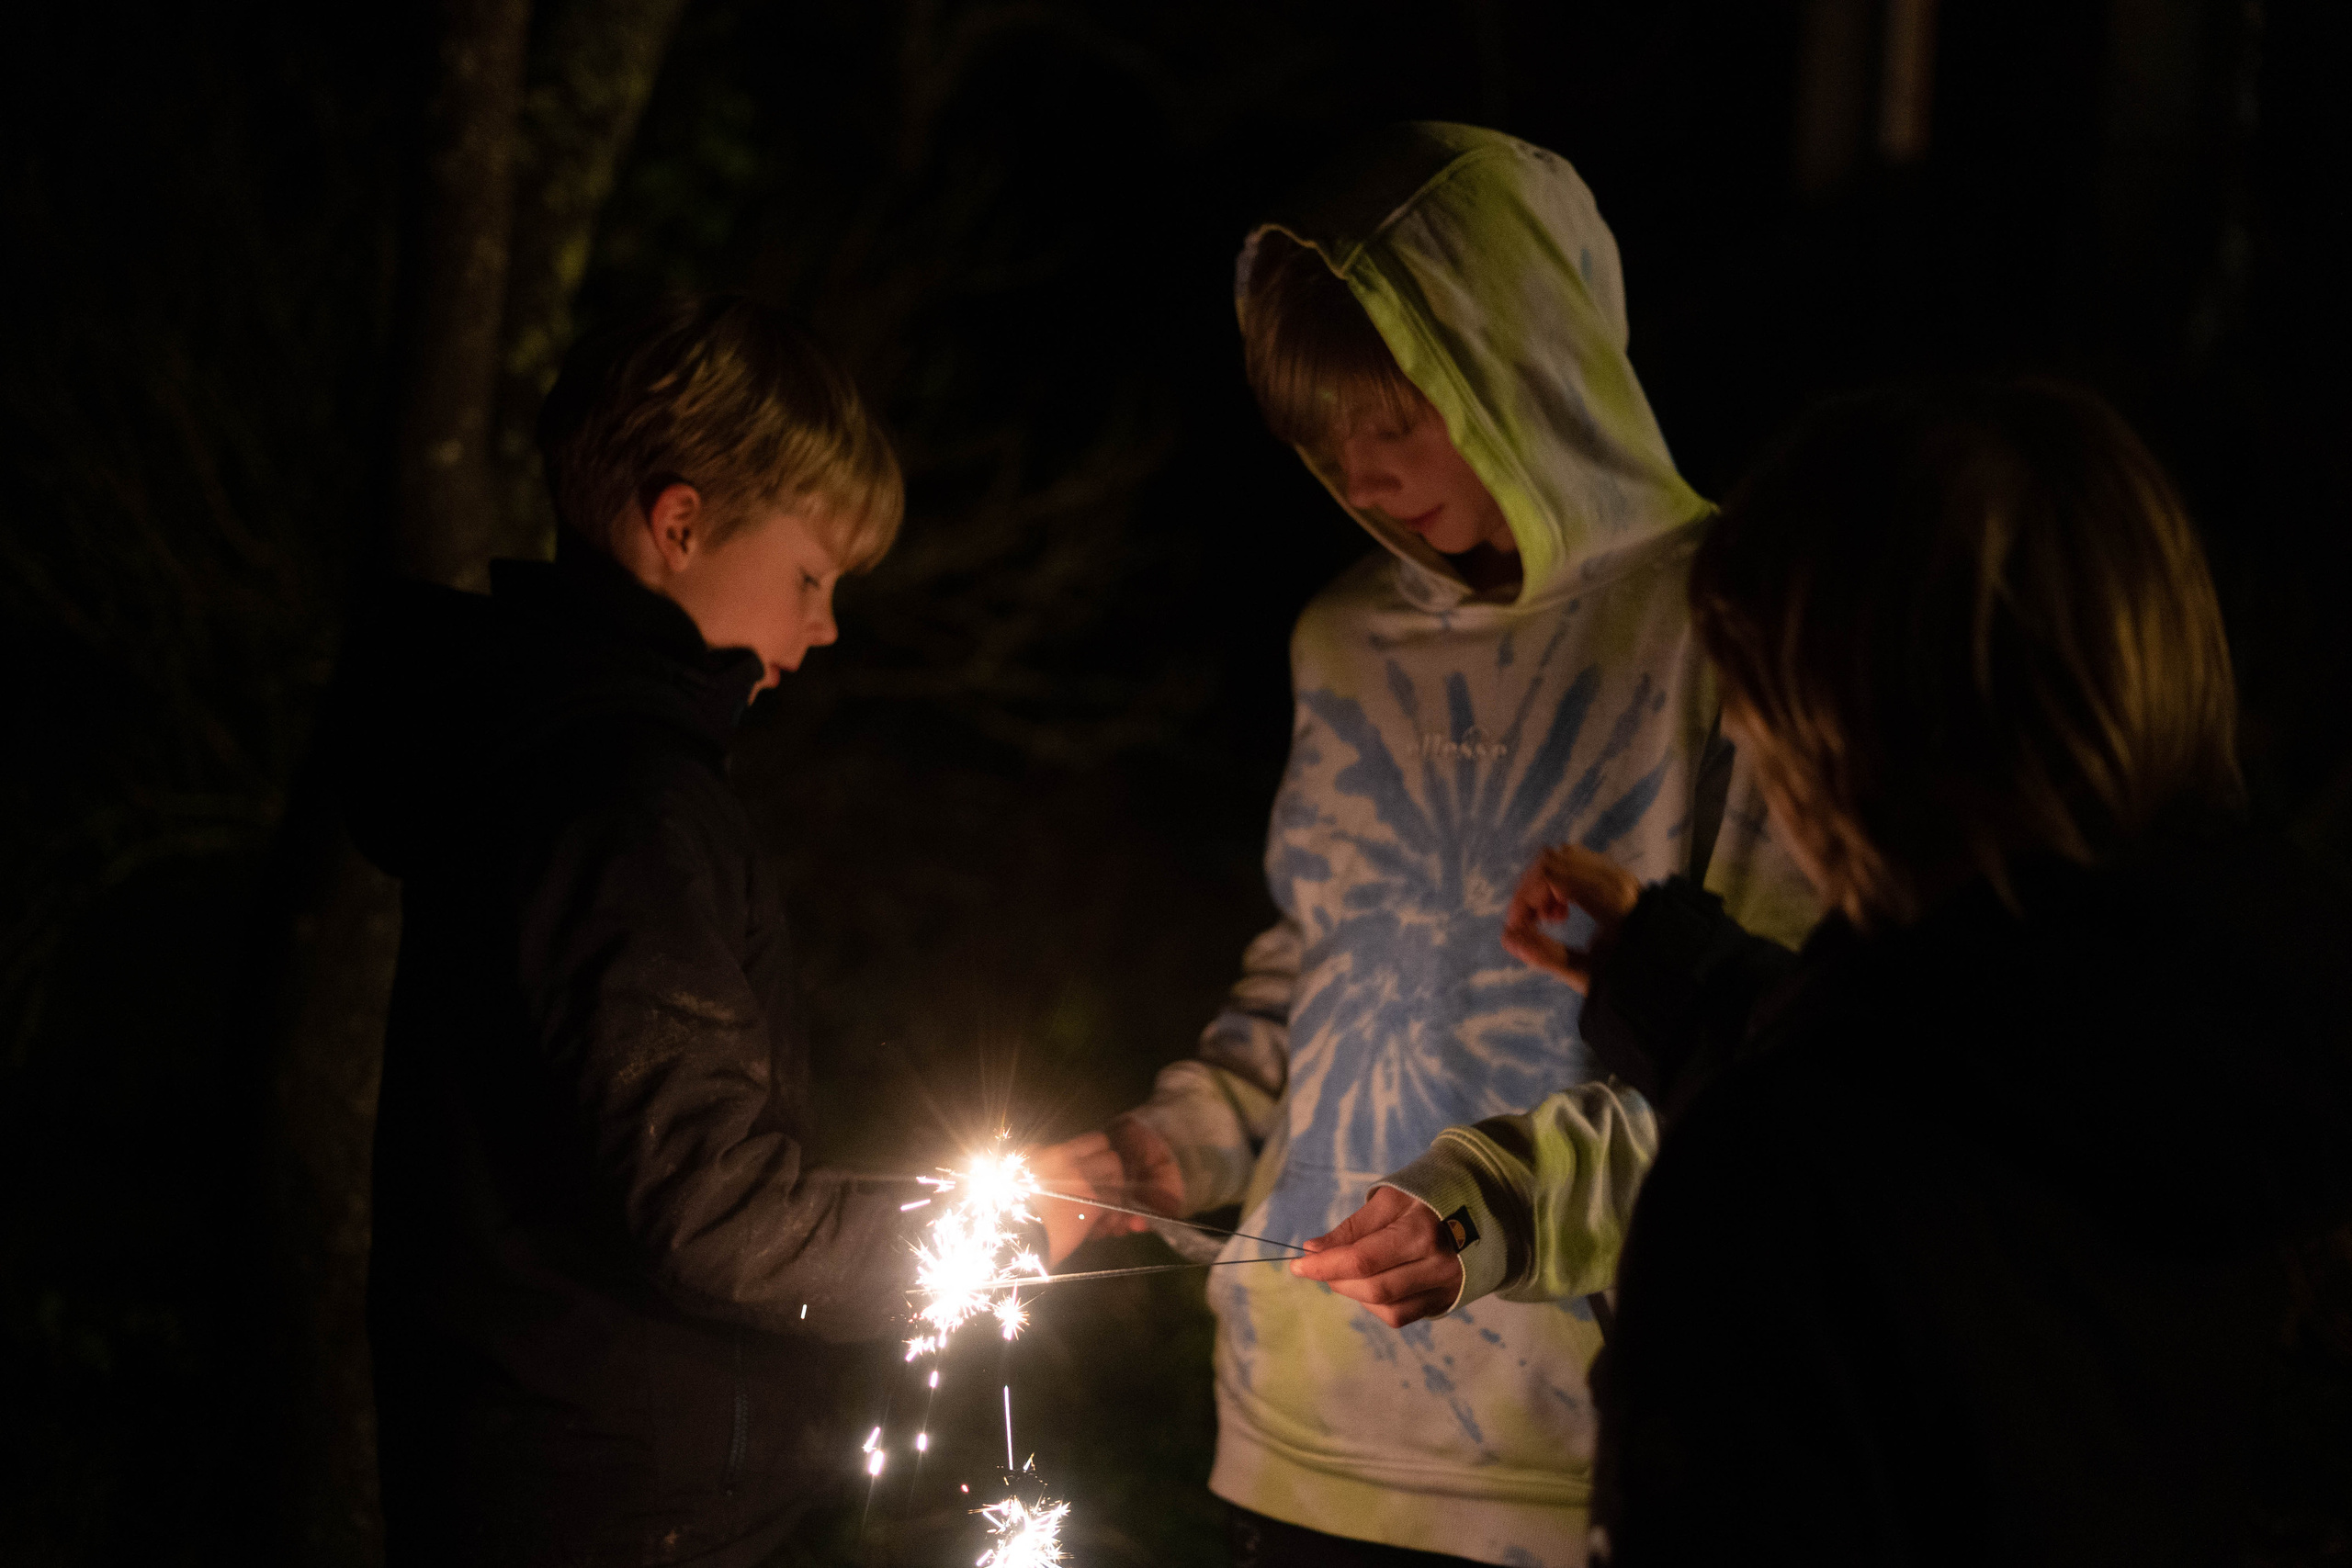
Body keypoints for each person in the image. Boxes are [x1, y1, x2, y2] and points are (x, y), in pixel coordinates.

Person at [1351, 380, 2352, 1562]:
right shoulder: (2255, 1042)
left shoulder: (1776, 1198)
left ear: (1839, 726)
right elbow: (1993, 1074)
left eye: (1755, 693)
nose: (1738, 739)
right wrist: (1677, 980)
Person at [1034, 124, 1816, 1568]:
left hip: (1567, 1448)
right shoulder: (1344, 636)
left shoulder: (1739, 622)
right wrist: (1174, 1139)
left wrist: (1504, 1202)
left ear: (1528, 362)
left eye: (1398, 418)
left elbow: (1785, 1064)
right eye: (1325, 440)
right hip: (1295, 1431)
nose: (1365, 474)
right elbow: (1319, 968)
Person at [333, 297, 917, 1567]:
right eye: (811, 577)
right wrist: (992, 1236)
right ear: (681, 522)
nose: (821, 628)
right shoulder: (623, 799)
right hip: (618, 1501)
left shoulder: (525, 744)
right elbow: (713, 1204)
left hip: (536, 1459)